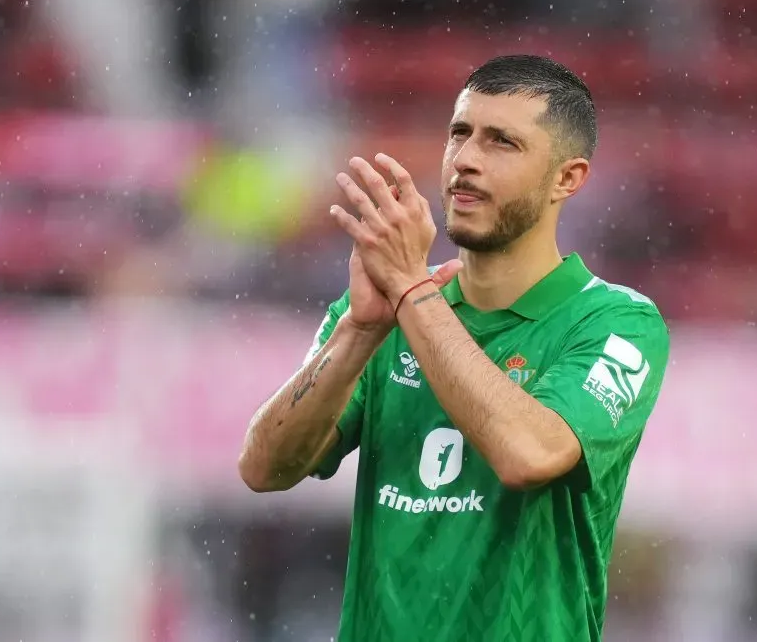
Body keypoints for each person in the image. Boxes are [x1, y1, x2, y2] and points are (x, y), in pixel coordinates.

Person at [239, 54, 670, 642]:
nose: (465, 161)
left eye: (502, 143)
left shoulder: (616, 322)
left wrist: (412, 291)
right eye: (459, 134)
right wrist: (361, 330)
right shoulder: (383, 308)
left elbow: (528, 454)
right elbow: (265, 468)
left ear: (567, 179)